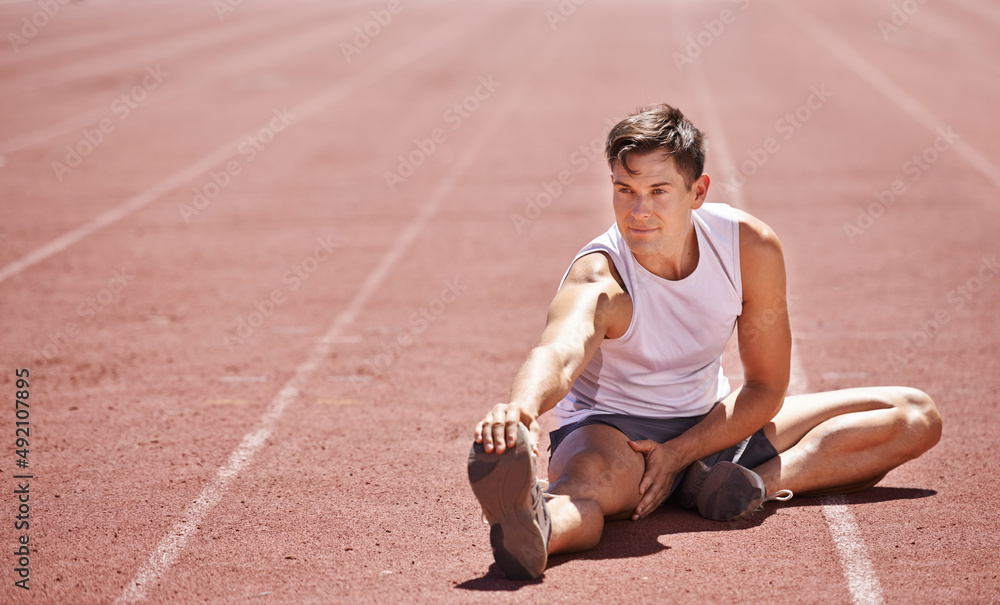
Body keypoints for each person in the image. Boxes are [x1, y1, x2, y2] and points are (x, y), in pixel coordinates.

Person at [466, 104, 943, 581]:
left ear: (698, 191)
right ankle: (537, 530)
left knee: (915, 414)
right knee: (578, 493)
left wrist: (683, 452)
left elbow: (765, 386)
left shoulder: (747, 248)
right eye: (624, 190)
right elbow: (558, 352)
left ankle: (748, 484)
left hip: (714, 427)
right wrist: (520, 410)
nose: (639, 210)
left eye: (658, 191)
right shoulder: (600, 278)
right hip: (616, 436)